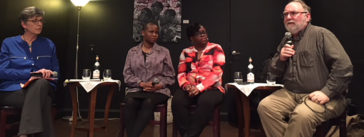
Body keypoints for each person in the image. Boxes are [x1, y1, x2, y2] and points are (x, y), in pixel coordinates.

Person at [257, 1, 353, 137]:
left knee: (302, 115)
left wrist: (327, 92)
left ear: (307, 17)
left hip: (325, 96)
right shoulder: (286, 40)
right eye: (285, 14)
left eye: (293, 13)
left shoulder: (321, 34)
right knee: (266, 107)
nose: (288, 17)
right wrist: (280, 59)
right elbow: (274, 72)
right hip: (290, 94)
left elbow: (344, 66)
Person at [0, 6, 59, 137]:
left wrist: (44, 77)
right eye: (35, 21)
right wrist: (31, 74)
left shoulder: (48, 44)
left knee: (41, 84)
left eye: (41, 20)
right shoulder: (9, 43)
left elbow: (56, 74)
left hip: (43, 87)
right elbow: (2, 71)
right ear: (24, 24)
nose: (39, 24)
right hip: (13, 91)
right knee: (45, 100)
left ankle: (24, 133)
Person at [172, 23, 225, 137]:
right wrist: (186, 86)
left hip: (212, 89)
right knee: (177, 100)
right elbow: (181, 73)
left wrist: (199, 88)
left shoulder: (216, 48)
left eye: (204, 32)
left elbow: (216, 73)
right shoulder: (185, 52)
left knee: (205, 101)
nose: (204, 35)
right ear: (191, 38)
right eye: (199, 33)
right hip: (190, 88)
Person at [123, 21, 175, 137]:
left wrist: (158, 85)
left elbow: (170, 76)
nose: (154, 35)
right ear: (143, 33)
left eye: (156, 32)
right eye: (151, 32)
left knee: (149, 102)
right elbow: (127, 75)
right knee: (130, 102)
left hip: (158, 91)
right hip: (136, 89)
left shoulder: (164, 52)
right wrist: (141, 84)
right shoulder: (132, 52)